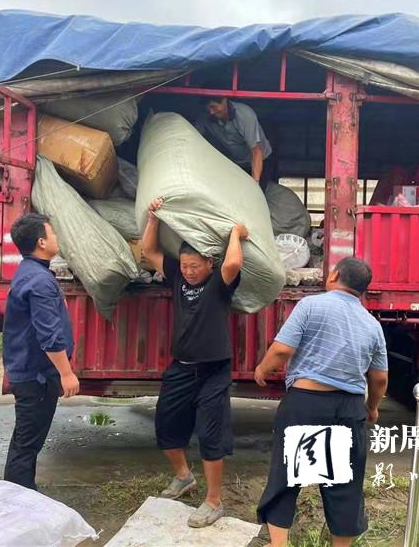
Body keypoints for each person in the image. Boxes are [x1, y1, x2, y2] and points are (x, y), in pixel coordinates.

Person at [253, 257, 388, 547]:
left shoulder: (311, 305)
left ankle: (279, 545)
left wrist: (263, 369)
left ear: (334, 276)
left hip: (306, 404)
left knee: (287, 477)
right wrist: (372, 407)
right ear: (363, 290)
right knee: (344, 485)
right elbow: (379, 378)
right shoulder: (371, 324)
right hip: (349, 409)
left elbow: (282, 350)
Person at [141, 197, 248, 528]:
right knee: (166, 423)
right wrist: (153, 219)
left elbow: (233, 263)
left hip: (214, 369)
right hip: (181, 366)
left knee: (210, 433)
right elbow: (149, 251)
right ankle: (184, 476)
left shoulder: (220, 283)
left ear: (209, 263)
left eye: (195, 266)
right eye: (185, 266)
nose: (188, 272)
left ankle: (214, 501)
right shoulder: (176, 275)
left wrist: (235, 234)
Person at [2, 212, 80, 490]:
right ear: (41, 242)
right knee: (26, 444)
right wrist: (66, 374)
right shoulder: (39, 281)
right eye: (52, 232)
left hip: (30, 371)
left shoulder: (32, 272)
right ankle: (18, 499)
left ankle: (19, 494)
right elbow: (49, 335)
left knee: (26, 441)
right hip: (36, 376)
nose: (56, 237)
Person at [195, 96, 274, 189]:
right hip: (236, 164)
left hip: (259, 161)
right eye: (208, 109)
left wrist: (255, 184)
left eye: (214, 107)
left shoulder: (245, 115)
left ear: (224, 100)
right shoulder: (205, 117)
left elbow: (256, 151)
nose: (211, 112)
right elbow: (195, 137)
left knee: (256, 192)